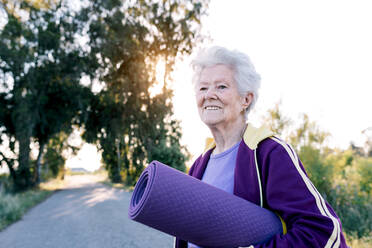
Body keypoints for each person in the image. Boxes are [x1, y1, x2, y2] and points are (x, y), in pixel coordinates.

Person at [174, 46, 348, 248]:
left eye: (221, 87)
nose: (209, 95)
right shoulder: (198, 165)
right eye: (203, 88)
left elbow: (322, 231)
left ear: (245, 99)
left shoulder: (271, 153)